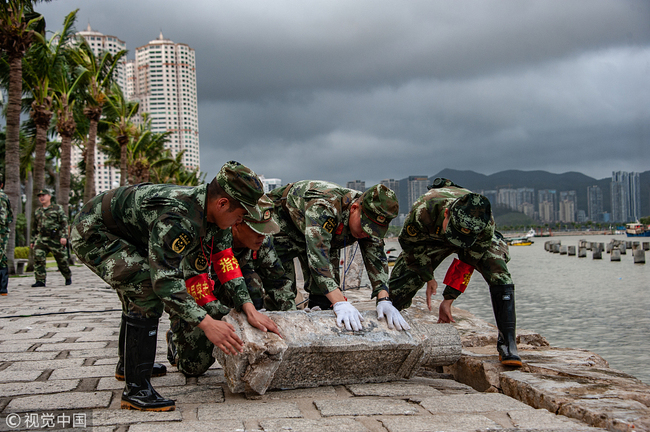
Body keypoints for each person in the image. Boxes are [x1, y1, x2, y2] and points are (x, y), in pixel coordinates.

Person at [71, 161, 281, 412]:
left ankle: (128, 367)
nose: (241, 221)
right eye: (241, 215)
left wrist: (248, 307)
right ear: (222, 203)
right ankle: (136, 389)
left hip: (128, 233)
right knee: (145, 287)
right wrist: (206, 323)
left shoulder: (216, 218)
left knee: (139, 288)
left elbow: (225, 259)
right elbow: (165, 281)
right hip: (95, 231)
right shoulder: (178, 217)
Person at [388, 178, 522, 367]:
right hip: (432, 238)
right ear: (446, 214)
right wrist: (428, 277)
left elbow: (468, 261)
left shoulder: (484, 224)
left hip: (473, 242)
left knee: (499, 273)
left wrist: (449, 298)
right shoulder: (424, 209)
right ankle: (389, 335)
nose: (457, 242)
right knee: (399, 286)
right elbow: (410, 246)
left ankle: (508, 344)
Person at [166, 195, 292, 376]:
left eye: (265, 231)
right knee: (192, 367)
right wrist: (230, 318)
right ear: (237, 223)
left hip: (237, 294)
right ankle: (176, 338)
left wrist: (291, 322)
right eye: (257, 231)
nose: (262, 237)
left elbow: (279, 282)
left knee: (253, 285)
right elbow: (193, 288)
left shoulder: (262, 241)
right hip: (198, 296)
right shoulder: (206, 238)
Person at [268, 181, 410, 332]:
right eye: (365, 227)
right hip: (283, 226)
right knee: (283, 296)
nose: (366, 233)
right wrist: (341, 302)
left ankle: (321, 331)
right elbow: (318, 261)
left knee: (325, 294)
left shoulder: (370, 216)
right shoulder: (324, 207)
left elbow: (376, 257)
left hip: (322, 236)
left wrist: (384, 298)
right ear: (355, 208)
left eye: (373, 230)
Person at [31, 189, 72, 287]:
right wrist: (33, 240)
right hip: (41, 238)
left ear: (49, 196)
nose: (41, 197)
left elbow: (64, 223)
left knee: (61, 260)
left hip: (55, 238)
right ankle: (40, 280)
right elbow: (34, 227)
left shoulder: (57, 208)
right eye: (40, 196)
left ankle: (67, 275)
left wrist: (64, 237)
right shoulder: (38, 211)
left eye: (43, 195)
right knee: (38, 258)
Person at [0, 175, 13, 296]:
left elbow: (3, 217)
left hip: (1, 232)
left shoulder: (1, 196)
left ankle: (2, 288)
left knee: (1, 258)